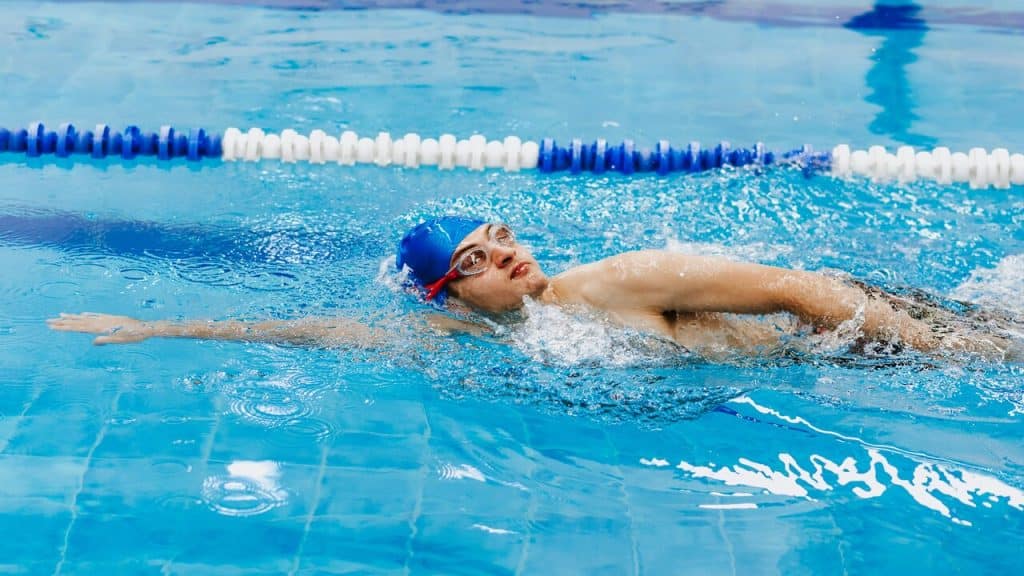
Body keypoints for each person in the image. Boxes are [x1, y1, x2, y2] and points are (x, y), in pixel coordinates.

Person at [48, 216, 1017, 361]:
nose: (501, 256)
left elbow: (802, 290)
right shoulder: (483, 339)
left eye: (498, 238)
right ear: (443, 297)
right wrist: (158, 327)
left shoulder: (619, 281)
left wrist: (956, 359)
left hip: (890, 328)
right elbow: (323, 332)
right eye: (470, 261)